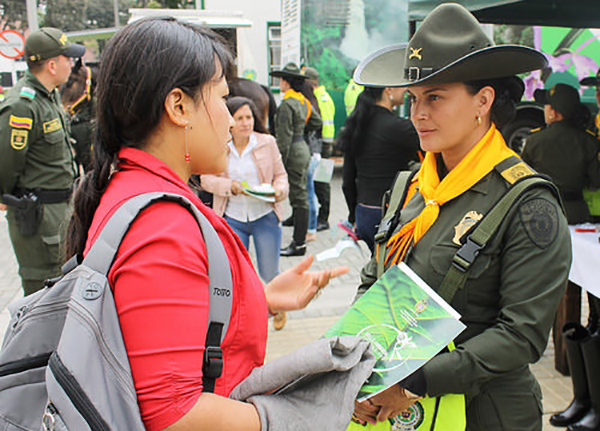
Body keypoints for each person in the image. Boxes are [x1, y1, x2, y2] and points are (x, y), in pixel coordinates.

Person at [65, 17, 347, 431]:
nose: (231, 120)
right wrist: (295, 415)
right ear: (179, 107)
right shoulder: (162, 226)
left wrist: (261, 299)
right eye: (222, 98)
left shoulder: (135, 189)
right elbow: (172, 413)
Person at [350, 4, 571, 430]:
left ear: (482, 101)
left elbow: (520, 335)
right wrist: (358, 370)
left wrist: (411, 382)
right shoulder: (411, 186)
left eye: (435, 97)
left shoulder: (528, 203)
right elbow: (374, 280)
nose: (418, 114)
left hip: (485, 413)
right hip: (404, 413)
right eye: (413, 99)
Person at [0, 27, 85, 296]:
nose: (71, 64)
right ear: (51, 65)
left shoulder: (48, 97)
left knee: (61, 288)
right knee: (42, 294)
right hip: (39, 217)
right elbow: (6, 161)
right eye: (67, 58)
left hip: (59, 210)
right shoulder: (22, 105)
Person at [200, 96, 289, 329]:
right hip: (233, 219)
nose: (245, 123)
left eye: (249, 117)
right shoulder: (220, 145)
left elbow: (281, 175)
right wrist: (229, 186)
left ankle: (278, 306)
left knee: (269, 272)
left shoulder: (267, 142)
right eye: (239, 118)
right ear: (230, 121)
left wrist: (279, 191)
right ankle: (244, 317)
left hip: (264, 217)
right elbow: (205, 179)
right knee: (236, 273)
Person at [340, 85, 419, 253]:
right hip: (390, 215)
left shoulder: (357, 123)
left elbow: (348, 179)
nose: (405, 90)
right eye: (400, 86)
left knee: (377, 263)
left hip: (364, 213)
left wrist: (353, 216)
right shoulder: (399, 128)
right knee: (391, 266)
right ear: (388, 89)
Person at [522, 83, 600, 224]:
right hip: (576, 212)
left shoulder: (534, 140)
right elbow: (596, 181)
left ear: (554, 113)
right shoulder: (589, 141)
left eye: (546, 105)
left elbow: (522, 180)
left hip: (541, 212)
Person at [271, 62, 322, 256]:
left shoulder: (287, 104)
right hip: (303, 148)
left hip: (293, 151)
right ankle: (299, 241)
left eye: (281, 80)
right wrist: (302, 131)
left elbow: (283, 139)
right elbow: (316, 122)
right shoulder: (303, 101)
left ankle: (298, 244)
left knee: (299, 198)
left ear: (286, 82)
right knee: (301, 195)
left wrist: (278, 164)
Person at [305, 66, 335, 231]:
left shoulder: (319, 98)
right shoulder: (321, 96)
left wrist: (324, 145)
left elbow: (323, 123)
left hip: (323, 146)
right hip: (323, 144)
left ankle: (324, 219)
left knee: (322, 182)